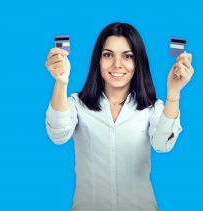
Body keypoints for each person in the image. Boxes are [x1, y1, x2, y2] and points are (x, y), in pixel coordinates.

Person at [44, 22, 194, 211]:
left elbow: (163, 144)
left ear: (138, 62)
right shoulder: (77, 104)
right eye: (108, 55)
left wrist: (174, 93)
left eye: (127, 56)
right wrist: (61, 82)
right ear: (98, 60)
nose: (117, 64)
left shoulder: (152, 108)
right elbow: (58, 135)